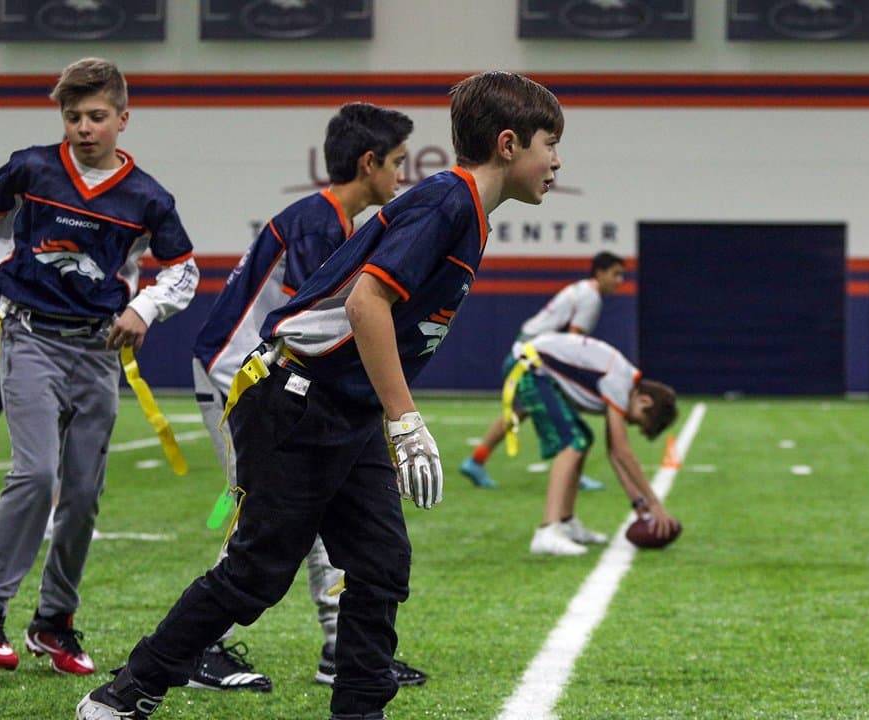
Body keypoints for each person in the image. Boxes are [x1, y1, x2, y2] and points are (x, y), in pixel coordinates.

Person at [77, 70, 565, 720]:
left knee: (382, 561)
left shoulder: (469, 215)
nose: (557, 160)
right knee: (258, 572)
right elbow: (367, 304)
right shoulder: (449, 202)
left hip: (343, 405)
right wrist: (406, 419)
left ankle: (359, 712)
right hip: (297, 397)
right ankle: (127, 691)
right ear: (509, 143)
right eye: (549, 143)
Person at [0, 57, 199, 676]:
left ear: (123, 119)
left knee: (82, 494)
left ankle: (54, 622)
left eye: (97, 116)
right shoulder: (32, 167)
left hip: (97, 350)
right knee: (34, 474)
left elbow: (182, 268)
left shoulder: (148, 197)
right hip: (29, 336)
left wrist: (146, 306)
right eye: (73, 116)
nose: (84, 128)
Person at [188, 103, 425, 692]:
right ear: (369, 163)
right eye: (398, 163)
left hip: (259, 375)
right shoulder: (320, 227)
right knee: (267, 518)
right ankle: (199, 648)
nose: (402, 175)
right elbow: (312, 331)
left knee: (310, 514)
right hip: (239, 378)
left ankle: (339, 650)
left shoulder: (329, 222)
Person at [459, 251, 626, 490]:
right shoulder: (591, 298)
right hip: (536, 358)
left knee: (520, 410)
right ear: (600, 273)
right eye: (616, 274)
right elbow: (573, 343)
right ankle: (572, 473)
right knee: (565, 415)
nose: (619, 280)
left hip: (525, 350)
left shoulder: (582, 290)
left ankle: (476, 461)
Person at [504, 332, 681, 556]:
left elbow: (614, 454)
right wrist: (654, 503)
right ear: (645, 400)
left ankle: (566, 522)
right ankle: (547, 530)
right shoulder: (619, 381)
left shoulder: (624, 379)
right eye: (637, 419)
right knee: (573, 442)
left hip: (533, 365)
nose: (630, 422)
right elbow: (621, 450)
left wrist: (638, 502)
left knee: (583, 439)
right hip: (528, 367)